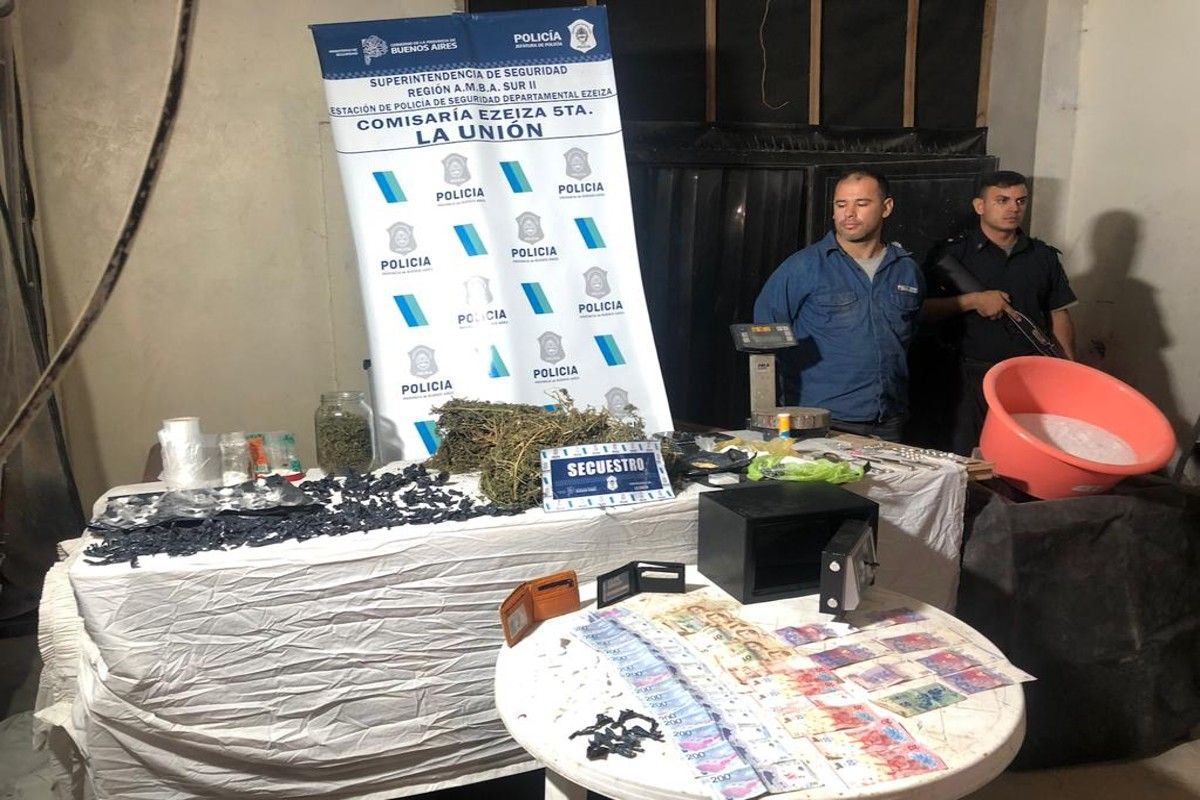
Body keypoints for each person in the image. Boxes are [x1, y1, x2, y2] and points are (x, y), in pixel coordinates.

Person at [753, 169, 924, 441]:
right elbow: (764, 336)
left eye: (862, 203)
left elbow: (909, 333)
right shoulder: (803, 267)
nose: (849, 214)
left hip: (889, 420)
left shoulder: (906, 269)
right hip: (821, 421)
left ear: (886, 207)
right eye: (841, 204)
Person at [923, 170, 1077, 455]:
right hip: (968, 377)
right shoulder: (952, 255)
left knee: (1022, 455)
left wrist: (1068, 368)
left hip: (1028, 377)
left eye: (1020, 201)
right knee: (967, 457)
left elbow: (1058, 314)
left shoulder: (1042, 256)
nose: (1013, 208)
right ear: (980, 206)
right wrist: (974, 300)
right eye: (1002, 200)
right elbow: (921, 311)